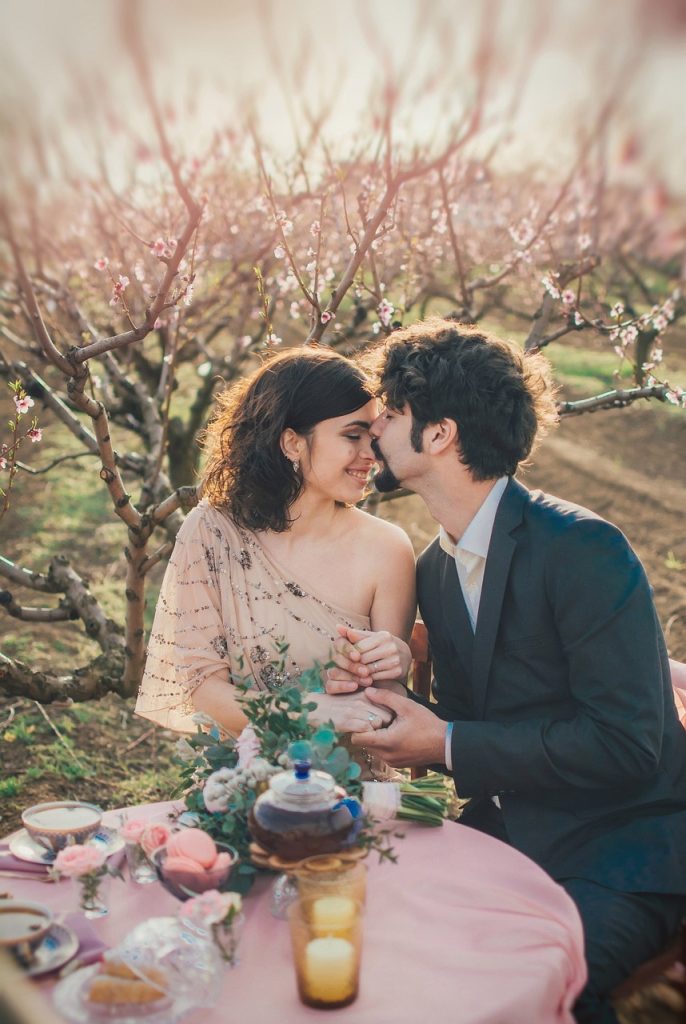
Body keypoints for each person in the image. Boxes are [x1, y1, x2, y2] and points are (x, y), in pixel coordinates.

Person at [326, 318, 686, 1023]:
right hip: (504, 834)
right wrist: (396, 696)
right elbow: (474, 725)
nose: (374, 431)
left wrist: (443, 742)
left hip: (623, 848)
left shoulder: (584, 549)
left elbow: (626, 743)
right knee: (383, 947)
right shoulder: (433, 567)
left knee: (542, 985)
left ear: (440, 435)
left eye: (391, 414)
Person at [135, 347, 416, 779]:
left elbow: (386, 699)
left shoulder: (387, 548)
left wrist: (392, 665)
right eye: (352, 436)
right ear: (291, 441)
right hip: (242, 781)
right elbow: (205, 689)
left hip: (353, 788)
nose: (370, 454)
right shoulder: (213, 532)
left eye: (372, 438)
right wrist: (308, 710)